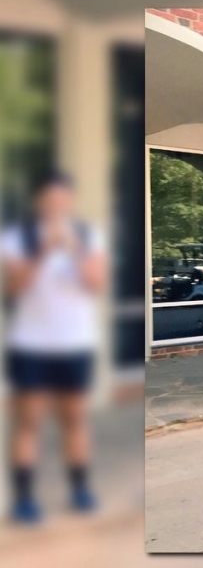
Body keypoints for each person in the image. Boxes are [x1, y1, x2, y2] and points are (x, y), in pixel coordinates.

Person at [1, 173, 106, 523]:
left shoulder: (89, 237)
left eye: (63, 199)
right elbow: (14, 289)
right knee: (28, 421)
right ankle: (25, 496)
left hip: (75, 344)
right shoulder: (16, 239)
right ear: (39, 202)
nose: (56, 206)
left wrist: (73, 249)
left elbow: (96, 284)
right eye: (50, 200)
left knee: (74, 419)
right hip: (31, 345)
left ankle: (79, 488)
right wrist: (44, 249)